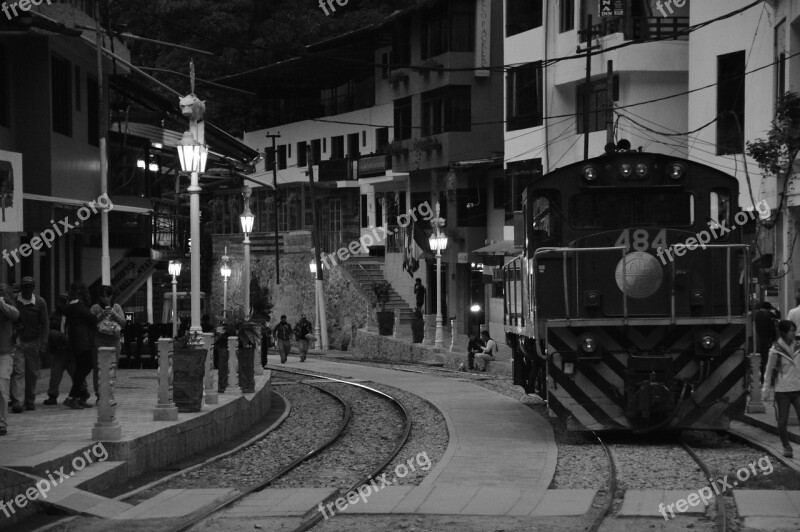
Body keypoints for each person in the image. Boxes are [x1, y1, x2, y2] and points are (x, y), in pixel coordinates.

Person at [762, 320, 800, 458]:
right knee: (782, 420)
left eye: (794, 330)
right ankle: (787, 447)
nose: (794, 333)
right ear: (783, 332)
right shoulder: (775, 351)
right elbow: (769, 370)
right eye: (791, 331)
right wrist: (766, 390)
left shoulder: (798, 347)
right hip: (782, 390)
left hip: (798, 388)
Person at [10, 277, 49, 412]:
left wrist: (43, 344)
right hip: (18, 341)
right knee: (18, 371)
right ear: (21, 288)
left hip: (34, 341)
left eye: (29, 287)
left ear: (33, 288)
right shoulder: (15, 300)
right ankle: (18, 402)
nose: (27, 289)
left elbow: (44, 324)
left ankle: (30, 399)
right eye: (25, 287)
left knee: (32, 372)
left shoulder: (39, 302)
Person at [45, 294, 86, 405]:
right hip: (59, 349)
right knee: (55, 374)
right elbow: (49, 330)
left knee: (76, 373)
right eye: (61, 301)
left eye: (65, 302)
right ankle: (52, 395)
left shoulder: (74, 315)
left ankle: (83, 394)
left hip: (72, 350)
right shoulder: (55, 315)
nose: (62, 304)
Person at [64, 281, 99, 409]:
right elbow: (92, 319)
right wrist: (101, 315)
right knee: (84, 367)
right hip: (83, 341)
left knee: (80, 368)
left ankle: (79, 396)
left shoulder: (70, 306)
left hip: (75, 341)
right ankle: (73, 397)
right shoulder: (79, 306)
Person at [90, 286, 125, 404]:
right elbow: (90, 323)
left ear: (112, 296)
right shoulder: (95, 308)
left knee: (112, 368)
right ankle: (99, 395)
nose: (105, 299)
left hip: (114, 340)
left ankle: (110, 394)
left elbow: (123, 323)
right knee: (98, 368)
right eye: (103, 296)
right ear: (99, 297)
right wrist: (101, 315)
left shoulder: (117, 307)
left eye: (108, 296)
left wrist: (114, 314)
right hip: (99, 340)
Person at [0, 284, 20, 436]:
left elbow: (15, 315)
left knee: (2, 386)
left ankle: (1, 423)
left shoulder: (5, 305)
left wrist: (1, 304)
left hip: (5, 353)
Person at [755, 301, 778, 381]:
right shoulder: (768, 315)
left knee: (754, 360)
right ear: (768, 309)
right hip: (765, 341)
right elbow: (772, 330)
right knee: (765, 360)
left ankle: (755, 379)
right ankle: (764, 378)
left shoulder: (754, 314)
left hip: (755, 341)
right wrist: (772, 340)